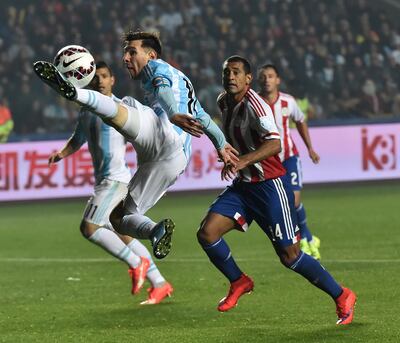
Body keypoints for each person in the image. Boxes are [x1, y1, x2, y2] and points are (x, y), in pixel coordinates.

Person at [33, 31, 237, 260]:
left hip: (164, 132)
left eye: (132, 52)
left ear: (150, 54)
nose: (126, 59)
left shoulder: (156, 67)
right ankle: (155, 231)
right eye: (125, 53)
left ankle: (75, 94)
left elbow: (162, 88)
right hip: (175, 161)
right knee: (119, 218)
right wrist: (221, 144)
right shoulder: (184, 83)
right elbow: (204, 118)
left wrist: (172, 114)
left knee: (123, 107)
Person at [196, 55, 356, 325]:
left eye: (236, 73)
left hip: (269, 187)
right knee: (207, 233)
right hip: (243, 188)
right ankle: (239, 281)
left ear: (248, 79)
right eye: (227, 73)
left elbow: (275, 144)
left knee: (290, 256)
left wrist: (243, 160)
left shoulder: (257, 106)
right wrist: (227, 155)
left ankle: (342, 295)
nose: (230, 77)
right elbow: (231, 138)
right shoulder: (224, 101)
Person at [47, 62, 172, 304]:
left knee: (89, 228)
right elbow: (78, 139)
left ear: (113, 80)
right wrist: (62, 153)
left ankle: (138, 263)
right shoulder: (87, 111)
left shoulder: (120, 108)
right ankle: (160, 283)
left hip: (116, 181)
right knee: (122, 234)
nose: (100, 81)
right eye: (96, 78)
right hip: (106, 181)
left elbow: (142, 131)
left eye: (105, 77)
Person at [257, 64, 321, 259]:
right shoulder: (255, 102)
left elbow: (300, 120)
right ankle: (309, 238)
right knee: (281, 203)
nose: (267, 80)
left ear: (278, 80)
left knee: (293, 200)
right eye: (264, 77)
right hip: (269, 161)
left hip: (289, 156)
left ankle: (304, 238)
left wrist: (309, 147)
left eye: (270, 76)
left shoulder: (288, 101)